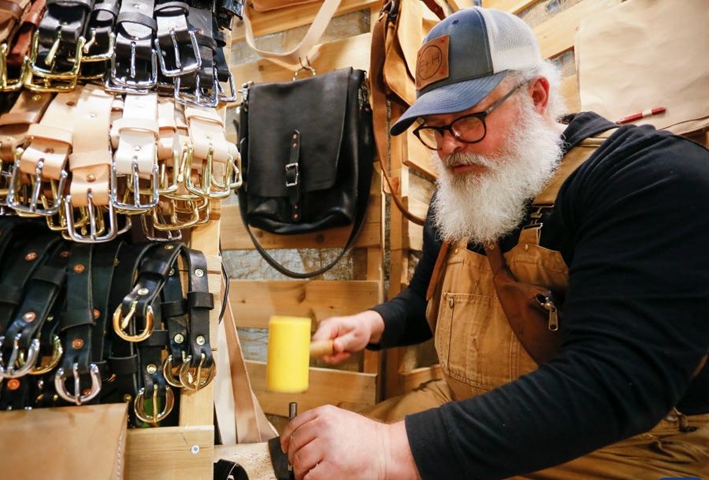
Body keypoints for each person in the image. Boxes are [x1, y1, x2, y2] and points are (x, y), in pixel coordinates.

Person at [279, 6, 709, 480]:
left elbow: (613, 382)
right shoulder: (463, 195)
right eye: (434, 128)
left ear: (538, 96)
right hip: (467, 405)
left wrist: (388, 449)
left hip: (627, 447)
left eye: (466, 120)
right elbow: (422, 303)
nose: (446, 147)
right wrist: (371, 323)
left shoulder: (646, 179)